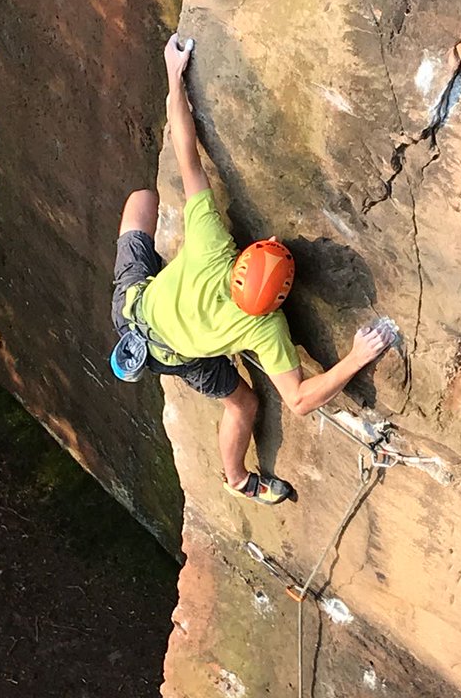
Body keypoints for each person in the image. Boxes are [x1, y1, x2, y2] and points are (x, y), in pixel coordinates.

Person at [110, 33, 393, 506]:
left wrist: (174, 77)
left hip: (133, 308)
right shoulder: (264, 328)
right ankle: (238, 479)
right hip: (175, 353)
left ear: (242, 257)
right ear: (279, 301)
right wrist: (357, 356)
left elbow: (185, 152)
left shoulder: (211, 245)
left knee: (141, 201)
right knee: (244, 404)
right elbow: (298, 401)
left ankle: (240, 479)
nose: (276, 240)